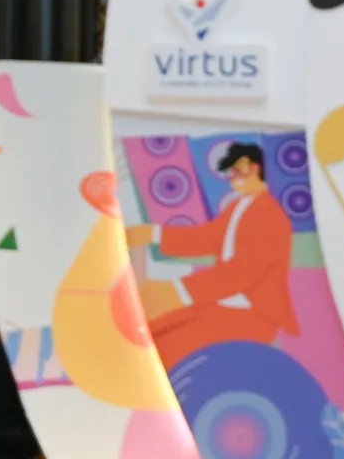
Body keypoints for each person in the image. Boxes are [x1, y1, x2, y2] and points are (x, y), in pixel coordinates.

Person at [124, 142, 300, 358]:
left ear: (257, 169)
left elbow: (243, 272)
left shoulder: (270, 216)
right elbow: (206, 238)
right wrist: (155, 234)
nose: (234, 177)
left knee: (164, 345)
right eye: (232, 172)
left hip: (251, 313)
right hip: (221, 303)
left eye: (240, 170)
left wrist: (178, 291)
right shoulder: (239, 207)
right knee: (154, 327)